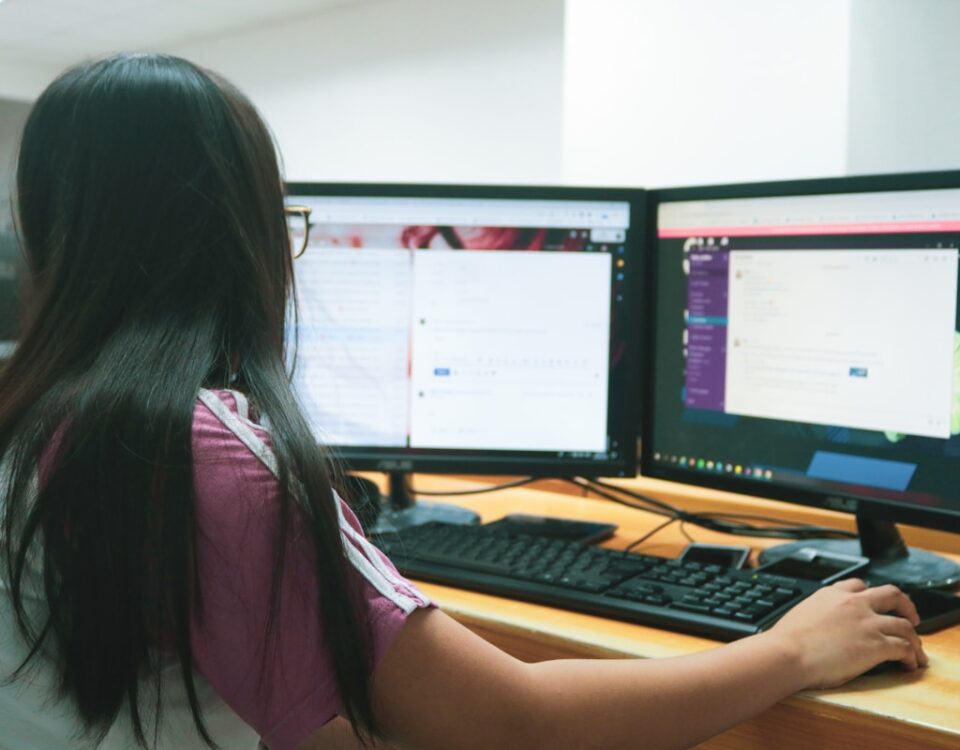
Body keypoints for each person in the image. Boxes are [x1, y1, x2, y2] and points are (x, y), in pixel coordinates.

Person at [0, 53, 926, 750]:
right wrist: (794, 650)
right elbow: (516, 724)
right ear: (240, 234)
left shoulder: (41, 421)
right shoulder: (202, 460)